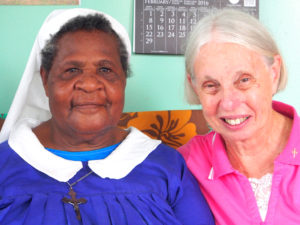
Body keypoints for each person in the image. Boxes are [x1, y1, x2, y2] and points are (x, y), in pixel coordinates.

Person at [0, 8, 214, 225]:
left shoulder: (168, 166)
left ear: (123, 80)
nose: (90, 84)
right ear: (46, 81)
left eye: (105, 69)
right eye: (72, 69)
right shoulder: (4, 166)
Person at [179, 8, 300, 225]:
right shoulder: (184, 166)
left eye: (243, 80)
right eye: (211, 86)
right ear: (195, 87)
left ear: (274, 73)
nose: (228, 102)